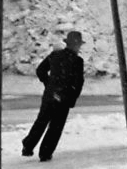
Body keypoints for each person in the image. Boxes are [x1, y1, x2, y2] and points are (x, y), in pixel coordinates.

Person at [21, 30, 84, 161]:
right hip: (64, 97)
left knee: (41, 121)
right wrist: (72, 98)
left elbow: (40, 70)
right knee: (55, 127)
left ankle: (28, 146)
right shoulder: (77, 61)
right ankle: (45, 153)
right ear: (76, 45)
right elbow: (78, 83)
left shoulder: (55, 55)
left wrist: (49, 84)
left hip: (50, 95)